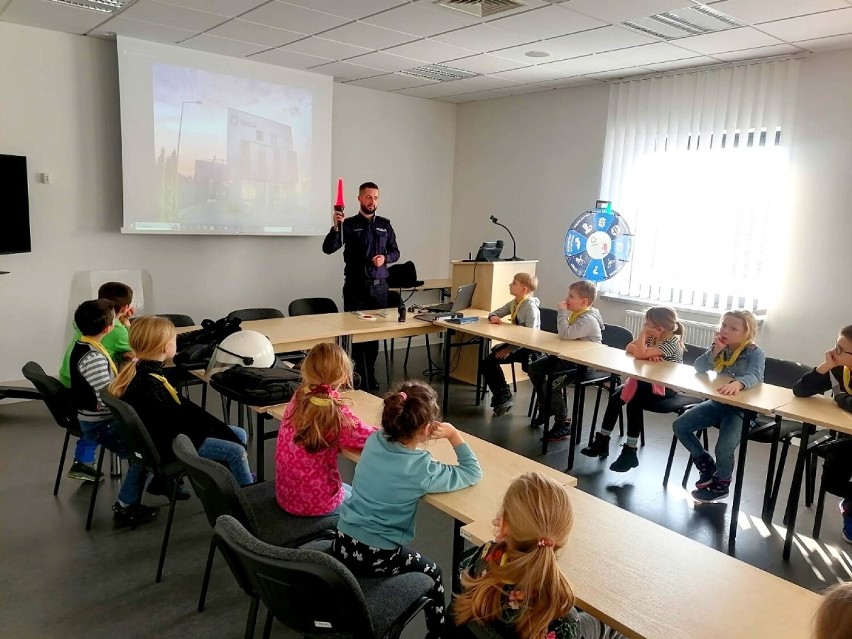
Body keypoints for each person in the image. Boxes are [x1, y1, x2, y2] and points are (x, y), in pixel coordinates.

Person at [331, 380, 482, 639]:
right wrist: (454, 435)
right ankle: (437, 634)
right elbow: (472, 472)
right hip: (378, 555)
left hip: (342, 541)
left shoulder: (375, 440)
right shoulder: (421, 468)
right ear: (427, 429)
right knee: (433, 573)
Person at [453, 472, 624, 639]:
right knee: (615, 625)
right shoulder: (563, 619)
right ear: (563, 536)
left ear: (503, 524)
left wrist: (502, 539)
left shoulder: (485, 558)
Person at [110, 316, 254, 489]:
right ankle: (247, 497)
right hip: (169, 445)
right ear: (166, 347)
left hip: (169, 435)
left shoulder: (143, 373)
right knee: (236, 451)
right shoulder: (149, 384)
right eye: (174, 339)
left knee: (239, 434)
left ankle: (232, 481)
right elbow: (176, 424)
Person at [67, 300, 157, 528]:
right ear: (108, 328)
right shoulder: (92, 357)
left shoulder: (86, 344)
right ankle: (125, 507)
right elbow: (108, 397)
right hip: (100, 423)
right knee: (142, 456)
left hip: (97, 418)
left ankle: (160, 481)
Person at [672, 310, 765, 503]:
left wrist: (738, 383)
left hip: (742, 410)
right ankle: (706, 464)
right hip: (718, 403)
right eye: (724, 325)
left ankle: (722, 484)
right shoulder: (722, 347)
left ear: (747, 333)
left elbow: (755, 375)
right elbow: (699, 367)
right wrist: (715, 351)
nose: (726, 331)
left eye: (733, 328)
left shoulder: (754, 353)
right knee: (680, 426)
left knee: (723, 449)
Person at [275, 343, 377, 516]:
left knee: (349, 491)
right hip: (317, 503)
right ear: (344, 377)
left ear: (306, 369)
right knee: (368, 507)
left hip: (286, 496)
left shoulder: (300, 396)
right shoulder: (334, 415)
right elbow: (372, 438)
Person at [582, 307, 685, 472]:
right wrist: (645, 351)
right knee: (616, 397)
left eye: (647, 324)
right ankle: (603, 440)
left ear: (660, 327)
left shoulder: (671, 341)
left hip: (665, 389)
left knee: (634, 402)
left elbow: (638, 354)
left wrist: (643, 341)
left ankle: (630, 451)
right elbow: (630, 347)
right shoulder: (653, 337)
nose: (644, 326)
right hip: (644, 383)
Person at [322, 181, 400, 390]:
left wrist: (385, 258)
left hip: (379, 288)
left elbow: (395, 252)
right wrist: (335, 227)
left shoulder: (385, 224)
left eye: (375, 197)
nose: (372, 201)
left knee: (373, 337)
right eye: (368, 197)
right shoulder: (348, 224)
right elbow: (328, 248)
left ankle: (370, 374)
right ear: (359, 199)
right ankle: (355, 376)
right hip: (356, 288)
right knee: (355, 337)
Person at [59, 281, 135, 482]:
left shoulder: (82, 325)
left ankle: (82, 461)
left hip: (70, 380)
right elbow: (136, 348)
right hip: (91, 400)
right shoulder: (116, 332)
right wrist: (126, 322)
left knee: (91, 422)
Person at [792, 324, 852, 544]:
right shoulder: (839, 368)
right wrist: (825, 366)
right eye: (836, 345)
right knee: (832, 482)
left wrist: (839, 398)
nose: (834, 351)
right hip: (847, 437)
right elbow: (800, 390)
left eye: (840, 349)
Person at [527, 280, 604, 442]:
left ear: (584, 302)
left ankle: (563, 423)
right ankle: (546, 407)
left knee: (551, 385)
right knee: (535, 368)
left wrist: (561, 312)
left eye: (571, 296)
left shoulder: (588, 319)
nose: (566, 299)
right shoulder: (580, 314)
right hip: (569, 359)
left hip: (582, 365)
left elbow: (565, 334)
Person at [481, 273, 541, 417]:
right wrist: (493, 316)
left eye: (514, 283)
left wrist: (509, 349)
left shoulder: (530, 308)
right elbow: (495, 312)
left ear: (523, 289)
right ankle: (503, 393)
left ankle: (503, 394)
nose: (510, 285)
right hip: (516, 344)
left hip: (529, 348)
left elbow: (529, 336)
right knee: (487, 363)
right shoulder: (514, 303)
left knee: (490, 360)